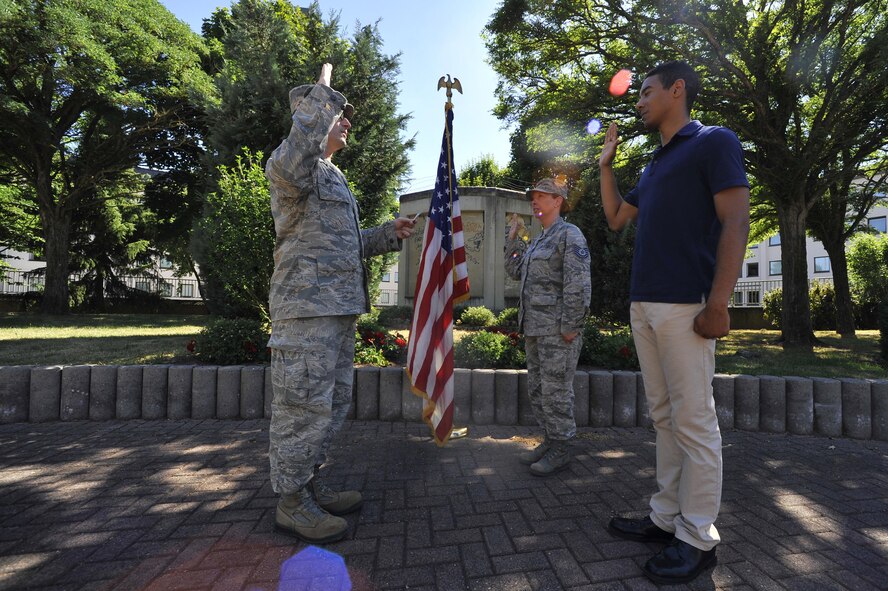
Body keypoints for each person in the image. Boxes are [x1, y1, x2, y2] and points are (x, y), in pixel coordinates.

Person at [598, 61, 750, 584]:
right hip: (644, 305)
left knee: (694, 423)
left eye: (646, 91)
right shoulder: (655, 163)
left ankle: (698, 537)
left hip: (687, 306)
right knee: (663, 417)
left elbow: (735, 220)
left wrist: (719, 302)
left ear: (677, 89)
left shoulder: (714, 142)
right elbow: (618, 218)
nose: (638, 101)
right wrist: (606, 167)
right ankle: (666, 520)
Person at [265, 63, 416, 544]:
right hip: (305, 312)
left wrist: (386, 234)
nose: (347, 121)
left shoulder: (331, 178)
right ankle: (290, 503)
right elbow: (296, 153)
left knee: (330, 404)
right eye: (337, 113)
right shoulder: (292, 168)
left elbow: (339, 244)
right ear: (312, 117)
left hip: (334, 310)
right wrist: (321, 94)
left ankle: (308, 484)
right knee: (301, 406)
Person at [504, 177, 592, 476]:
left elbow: (578, 284)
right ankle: (551, 441)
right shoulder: (539, 239)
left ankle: (563, 448)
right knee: (538, 390)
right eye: (534, 196)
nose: (535, 200)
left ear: (558, 201)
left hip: (557, 330)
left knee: (556, 392)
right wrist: (514, 238)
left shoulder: (570, 235)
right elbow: (515, 272)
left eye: (543, 196)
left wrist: (571, 325)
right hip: (535, 329)